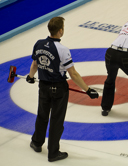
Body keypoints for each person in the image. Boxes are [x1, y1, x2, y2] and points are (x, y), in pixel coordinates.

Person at [26, 16, 99, 162]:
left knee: (42, 115)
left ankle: (36, 142)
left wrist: (30, 76)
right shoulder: (63, 50)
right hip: (59, 89)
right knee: (56, 120)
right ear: (60, 31)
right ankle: (53, 153)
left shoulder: (39, 44)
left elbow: (35, 64)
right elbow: (73, 74)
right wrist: (87, 90)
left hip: (44, 87)